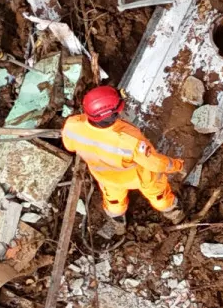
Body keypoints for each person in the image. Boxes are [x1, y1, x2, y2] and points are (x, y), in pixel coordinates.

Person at [61, 85, 188, 223]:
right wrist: (177, 165)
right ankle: (173, 213)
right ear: (113, 114)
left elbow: (70, 146)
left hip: (107, 178)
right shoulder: (127, 139)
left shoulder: (72, 125)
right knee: (159, 195)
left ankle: (118, 223)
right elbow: (156, 164)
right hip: (139, 177)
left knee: (114, 202)